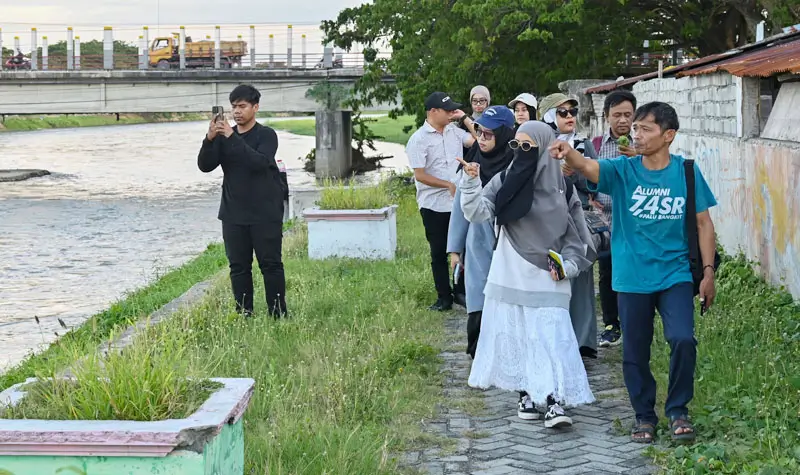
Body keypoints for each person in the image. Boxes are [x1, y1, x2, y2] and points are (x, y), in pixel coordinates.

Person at [550, 101, 718, 444]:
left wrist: (709, 271)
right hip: (631, 276)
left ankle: (677, 410)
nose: (636, 134)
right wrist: (568, 152)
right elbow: (585, 165)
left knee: (683, 339)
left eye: (645, 129)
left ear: (668, 135)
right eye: (635, 128)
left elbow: (703, 223)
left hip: (675, 275)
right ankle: (644, 415)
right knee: (635, 351)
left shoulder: (686, 171)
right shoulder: (623, 170)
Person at [460, 120, 595, 427]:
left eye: (527, 147)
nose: (520, 153)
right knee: (520, 337)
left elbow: (578, 240)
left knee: (551, 337)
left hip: (550, 277)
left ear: (546, 148)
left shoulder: (564, 188)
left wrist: (568, 267)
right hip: (510, 275)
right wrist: (471, 183)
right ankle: (527, 394)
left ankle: (553, 399)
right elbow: (478, 212)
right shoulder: (506, 180)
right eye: (515, 146)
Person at [197, 84, 288, 318]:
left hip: (265, 212)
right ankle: (244, 314)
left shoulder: (266, 135)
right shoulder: (223, 136)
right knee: (238, 267)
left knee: (271, 265)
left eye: (242, 106)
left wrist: (230, 136)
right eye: (234, 107)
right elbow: (205, 166)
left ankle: (278, 314)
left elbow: (258, 162)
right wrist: (209, 139)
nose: (237, 111)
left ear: (255, 108)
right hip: (233, 212)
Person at [447, 105, 516, 359]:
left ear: (506, 135)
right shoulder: (473, 159)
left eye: (489, 134)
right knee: (477, 296)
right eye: (480, 132)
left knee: (507, 297)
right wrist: (455, 249)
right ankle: (478, 352)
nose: (483, 139)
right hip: (478, 242)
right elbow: (459, 208)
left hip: (511, 243)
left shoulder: (518, 165)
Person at [539, 93, 599, 358]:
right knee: (550, 277)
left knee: (582, 275)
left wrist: (576, 172)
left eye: (573, 112)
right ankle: (551, 338)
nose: (570, 117)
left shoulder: (584, 145)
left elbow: (596, 185)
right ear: (549, 116)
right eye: (563, 112)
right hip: (546, 220)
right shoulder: (538, 144)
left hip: (577, 218)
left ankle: (583, 340)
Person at [406, 92, 476, 311]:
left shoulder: (455, 131)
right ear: (433, 112)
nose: (450, 114)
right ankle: (443, 297)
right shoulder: (418, 139)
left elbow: (480, 140)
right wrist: (447, 184)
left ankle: (461, 293)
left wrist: (464, 118)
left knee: (464, 248)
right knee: (438, 252)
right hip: (433, 204)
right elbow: (420, 175)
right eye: (448, 111)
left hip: (458, 202)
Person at [590, 90, 638, 348]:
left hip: (634, 222)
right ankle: (611, 324)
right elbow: (587, 176)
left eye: (627, 115)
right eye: (617, 114)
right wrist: (590, 195)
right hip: (605, 222)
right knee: (607, 273)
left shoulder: (641, 144)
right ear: (606, 116)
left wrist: (637, 157)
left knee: (631, 272)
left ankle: (633, 321)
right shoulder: (596, 145)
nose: (622, 120)